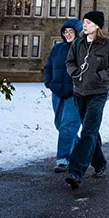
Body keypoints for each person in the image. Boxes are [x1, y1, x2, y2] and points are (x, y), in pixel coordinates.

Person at [64, 10, 109, 190]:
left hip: (98, 94)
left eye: (88, 22)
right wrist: (74, 73)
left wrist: (100, 76)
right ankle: (99, 163)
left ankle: (76, 171)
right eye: (84, 22)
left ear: (97, 25)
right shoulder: (78, 43)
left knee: (88, 131)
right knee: (91, 131)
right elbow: (70, 62)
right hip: (79, 93)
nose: (85, 25)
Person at [43, 18, 83, 173]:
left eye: (71, 31)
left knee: (68, 126)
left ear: (78, 32)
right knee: (60, 124)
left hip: (75, 94)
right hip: (57, 93)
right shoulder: (57, 49)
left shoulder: (83, 50)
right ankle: (85, 151)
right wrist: (49, 82)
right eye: (65, 32)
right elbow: (48, 67)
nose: (68, 34)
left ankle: (63, 159)